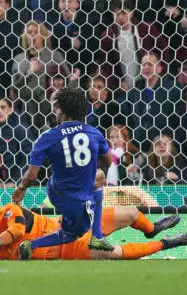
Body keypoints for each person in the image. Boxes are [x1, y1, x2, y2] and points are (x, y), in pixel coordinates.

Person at [12, 88, 114, 260]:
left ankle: (30, 245)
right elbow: (108, 162)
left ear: (60, 110)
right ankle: (97, 235)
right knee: (99, 177)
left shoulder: (48, 136)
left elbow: (32, 175)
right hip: (80, 199)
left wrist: (21, 189)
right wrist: (84, 168)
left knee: (71, 233)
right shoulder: (93, 133)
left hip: (57, 193)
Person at [0, 199, 187, 261]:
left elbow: (19, 232)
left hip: (72, 223)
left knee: (132, 213)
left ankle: (152, 229)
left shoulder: (10, 210)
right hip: (68, 248)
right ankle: (168, 243)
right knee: (115, 253)